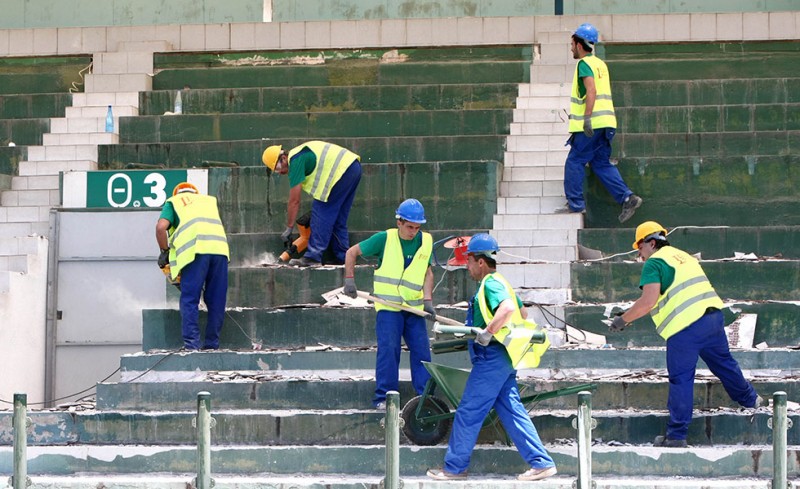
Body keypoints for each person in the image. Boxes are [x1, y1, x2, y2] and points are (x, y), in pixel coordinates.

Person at [609, 221, 763, 447]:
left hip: (685, 328)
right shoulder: (683, 256)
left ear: (651, 243)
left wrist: (622, 320)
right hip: (712, 318)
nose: (639, 255)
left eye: (639, 248)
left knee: (681, 380)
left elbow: (648, 302)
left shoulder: (654, 263)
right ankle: (752, 400)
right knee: (724, 363)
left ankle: (677, 435)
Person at [427, 233, 556, 481]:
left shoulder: (491, 284)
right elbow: (523, 312)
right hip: (505, 356)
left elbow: (507, 309)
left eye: (469, 261)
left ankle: (454, 469)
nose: (467, 267)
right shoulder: (501, 281)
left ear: (480, 262)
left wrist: (488, 332)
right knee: (511, 410)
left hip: (492, 356)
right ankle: (541, 463)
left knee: (469, 411)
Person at [342, 198, 435, 410]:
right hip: (389, 308)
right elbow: (351, 252)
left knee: (422, 352)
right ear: (399, 222)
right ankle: (384, 398)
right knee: (389, 350)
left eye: (417, 227)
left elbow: (428, 273)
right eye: (410, 227)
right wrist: (349, 279)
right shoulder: (385, 238)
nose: (413, 231)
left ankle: (425, 398)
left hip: (413, 308)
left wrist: (428, 301)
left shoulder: (426, 241)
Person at [563, 22, 642, 223]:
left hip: (592, 124)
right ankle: (627, 197)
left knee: (575, 160)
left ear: (580, 44)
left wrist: (587, 118)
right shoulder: (600, 64)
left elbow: (591, 90)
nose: (571, 48)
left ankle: (575, 204)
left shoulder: (584, 64)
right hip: (607, 123)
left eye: (572, 44)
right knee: (600, 163)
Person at [262, 141, 362, 267]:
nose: (281, 173)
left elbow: (294, 200)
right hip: (353, 168)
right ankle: (344, 257)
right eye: (276, 171)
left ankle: (313, 257)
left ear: (283, 158)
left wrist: (289, 227)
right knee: (338, 219)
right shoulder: (299, 154)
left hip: (341, 172)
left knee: (320, 214)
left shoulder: (296, 161)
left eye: (278, 168)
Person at [156, 182, 230, 350]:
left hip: (195, 251)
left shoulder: (174, 201)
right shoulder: (209, 201)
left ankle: (192, 345)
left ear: (177, 193)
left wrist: (164, 251)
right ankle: (212, 345)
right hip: (220, 251)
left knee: (190, 299)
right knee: (217, 300)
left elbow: (161, 228)